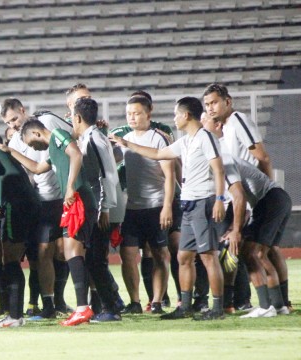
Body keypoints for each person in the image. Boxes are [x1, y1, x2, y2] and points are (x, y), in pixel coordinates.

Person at [110, 97, 228, 321]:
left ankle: (217, 307)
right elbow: (156, 154)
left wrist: (220, 199)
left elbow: (218, 170)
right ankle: (185, 305)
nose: (173, 118)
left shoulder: (205, 137)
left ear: (186, 115)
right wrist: (126, 144)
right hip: (188, 203)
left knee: (209, 256)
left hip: (204, 201)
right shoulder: (185, 141)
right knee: (183, 256)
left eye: (176, 114)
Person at [0, 117, 98, 327]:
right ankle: (83, 308)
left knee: (74, 252)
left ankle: (85, 307)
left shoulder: (58, 135)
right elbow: (38, 168)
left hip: (79, 198)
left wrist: (69, 186)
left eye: (32, 144)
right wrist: (11, 151)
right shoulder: (52, 149)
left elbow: (76, 154)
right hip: (73, 200)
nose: (34, 147)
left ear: (37, 134)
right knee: (71, 252)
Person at [202, 115, 291, 317]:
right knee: (256, 252)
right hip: (275, 199)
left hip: (270, 200)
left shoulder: (221, 159)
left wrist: (235, 230)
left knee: (253, 253)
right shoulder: (222, 157)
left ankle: (267, 307)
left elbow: (239, 197)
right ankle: (278, 305)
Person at [203, 83, 275, 309]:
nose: (211, 108)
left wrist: (265, 195)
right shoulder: (223, 131)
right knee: (240, 249)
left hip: (250, 197)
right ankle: (241, 301)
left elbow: (263, 158)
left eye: (214, 102)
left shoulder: (237, 120)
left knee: (255, 249)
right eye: (207, 105)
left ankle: (266, 301)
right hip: (238, 197)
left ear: (228, 101)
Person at [0, 97, 72, 319]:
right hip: (43, 202)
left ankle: (62, 300)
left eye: (14, 118)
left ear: (22, 110)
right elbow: (27, 174)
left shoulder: (48, 120)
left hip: (65, 197)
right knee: (43, 254)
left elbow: (74, 137)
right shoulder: (13, 143)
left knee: (65, 252)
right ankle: (49, 303)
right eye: (8, 122)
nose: (12, 125)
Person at [67, 90, 125, 321]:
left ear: (78, 118)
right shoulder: (93, 137)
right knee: (94, 259)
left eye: (72, 116)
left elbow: (105, 176)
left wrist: (105, 208)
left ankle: (112, 308)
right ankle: (110, 303)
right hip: (103, 205)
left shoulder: (94, 139)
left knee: (95, 260)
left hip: (105, 207)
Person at [0, 132, 42, 327]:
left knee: (10, 259)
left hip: (16, 206)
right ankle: (15, 314)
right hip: (31, 205)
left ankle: (14, 316)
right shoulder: (8, 160)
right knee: (14, 258)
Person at [117, 96, 174, 315]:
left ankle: (158, 300)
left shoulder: (158, 138)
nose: (132, 117)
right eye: (129, 113)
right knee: (128, 255)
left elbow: (169, 176)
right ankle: (134, 302)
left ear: (149, 114)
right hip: (132, 208)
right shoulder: (125, 139)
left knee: (160, 254)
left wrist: (167, 206)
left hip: (155, 206)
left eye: (137, 113)